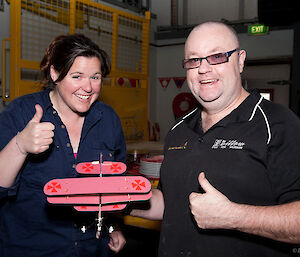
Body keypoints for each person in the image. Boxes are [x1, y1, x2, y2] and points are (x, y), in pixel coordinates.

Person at [130, 21, 300, 257]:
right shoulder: (179, 129)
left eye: (217, 56)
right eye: (193, 60)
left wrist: (233, 217)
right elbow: (171, 204)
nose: (203, 69)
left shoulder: (278, 124)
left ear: (240, 60)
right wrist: (121, 200)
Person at [0, 34, 127, 257]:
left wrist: (113, 226)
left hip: (92, 248)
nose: (88, 87)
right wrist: (19, 145)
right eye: (77, 76)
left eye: (95, 77)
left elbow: (113, 188)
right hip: (31, 249)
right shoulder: (21, 113)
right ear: (55, 73)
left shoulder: (108, 119)